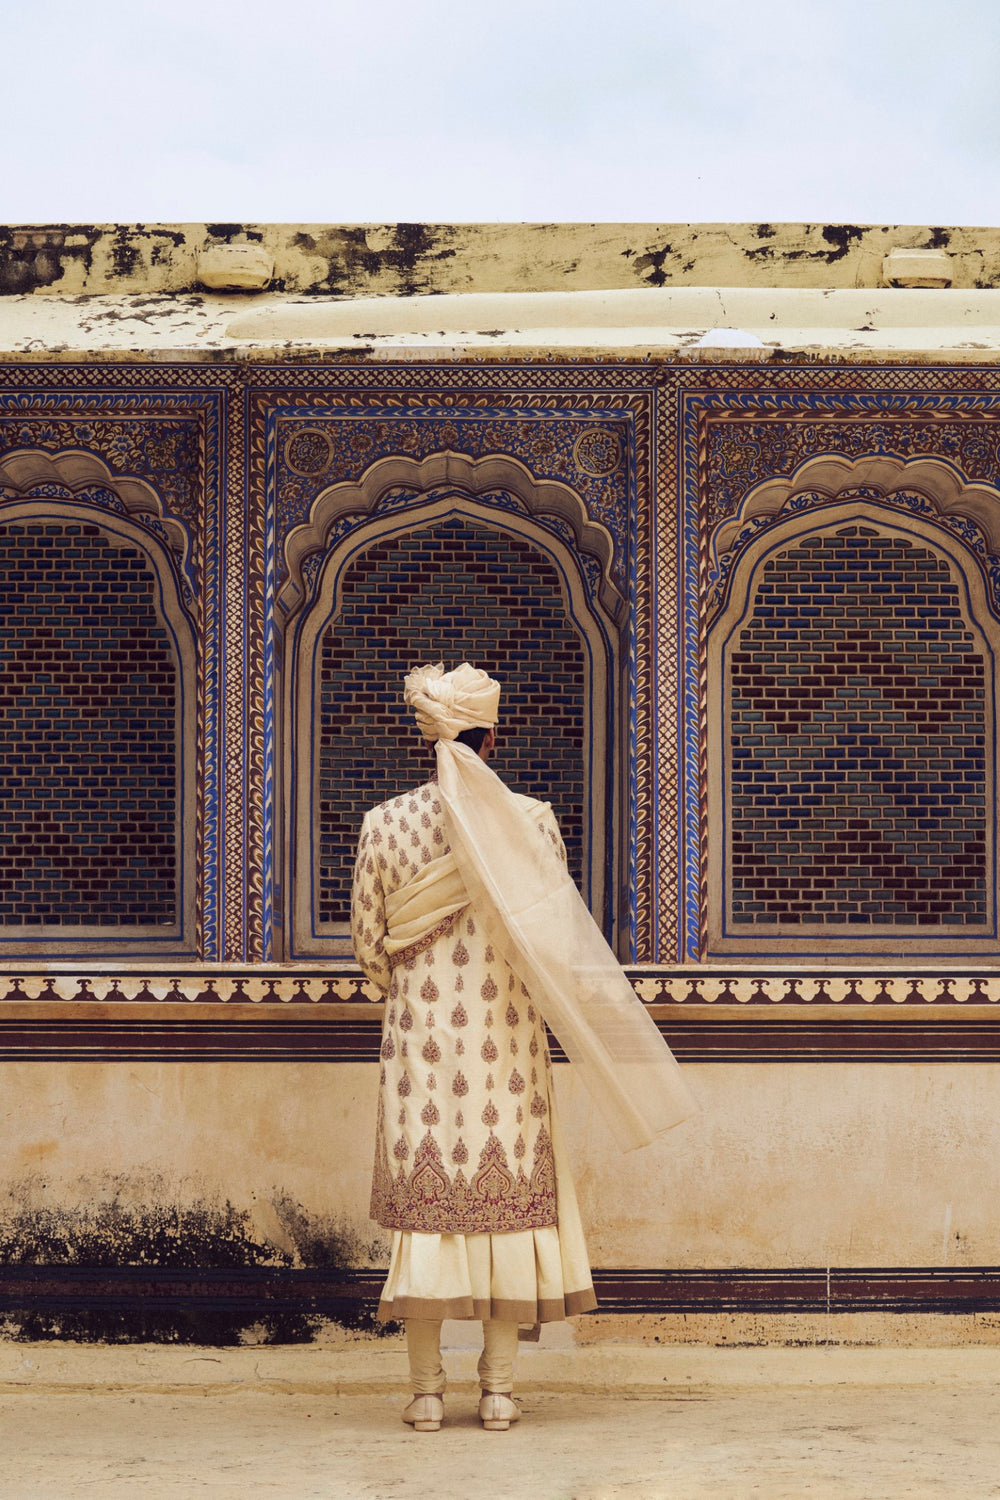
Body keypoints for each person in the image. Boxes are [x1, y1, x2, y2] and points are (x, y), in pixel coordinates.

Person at [351, 662, 694, 1432]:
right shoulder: (532, 821)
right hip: (506, 1049)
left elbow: (370, 950)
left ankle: (425, 1394)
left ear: (428, 737)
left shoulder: (385, 824)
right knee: (506, 1214)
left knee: (428, 1219)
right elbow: (557, 951)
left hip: (421, 1054)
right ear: (492, 738)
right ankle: (500, 1391)